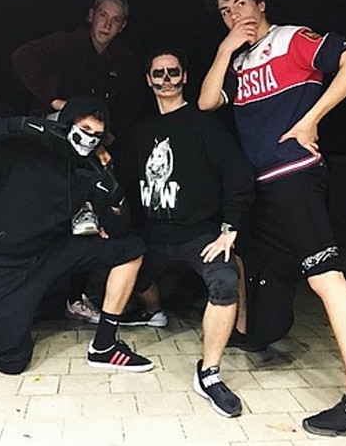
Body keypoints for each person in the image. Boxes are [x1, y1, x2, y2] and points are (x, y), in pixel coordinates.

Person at [198, 0, 346, 436]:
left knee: (325, 276)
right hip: (260, 186)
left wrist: (311, 120)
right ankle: (253, 335)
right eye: (225, 11)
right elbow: (206, 102)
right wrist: (224, 50)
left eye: (241, 4)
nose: (234, 15)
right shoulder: (239, 61)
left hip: (294, 175)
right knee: (248, 259)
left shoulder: (292, 39)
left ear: (261, 3)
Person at [0, 95, 154, 375]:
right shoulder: (27, 146)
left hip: (52, 251)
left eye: (96, 135)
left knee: (131, 248)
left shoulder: (88, 169)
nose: (89, 139)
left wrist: (115, 198)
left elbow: (118, 229)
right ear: (67, 124)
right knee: (10, 362)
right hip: (8, 263)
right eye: (84, 129)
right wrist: (13, 126)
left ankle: (104, 345)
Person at [119, 49, 253, 417]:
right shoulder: (140, 131)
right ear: (148, 80)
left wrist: (229, 228)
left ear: (185, 77)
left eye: (173, 72)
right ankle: (154, 311)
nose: (166, 80)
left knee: (224, 281)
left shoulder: (204, 124)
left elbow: (237, 174)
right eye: (158, 73)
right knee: (123, 270)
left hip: (199, 234)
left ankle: (209, 373)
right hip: (152, 234)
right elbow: (122, 181)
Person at [12, 0, 146, 323]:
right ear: (91, 15)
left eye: (115, 20)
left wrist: (111, 134)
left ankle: (75, 297)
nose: (107, 24)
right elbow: (22, 57)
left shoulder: (123, 60)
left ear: (123, 26)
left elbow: (133, 101)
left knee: (93, 216)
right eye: (103, 15)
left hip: (94, 146)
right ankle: (24, 292)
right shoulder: (66, 44)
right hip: (56, 135)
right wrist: (56, 102)